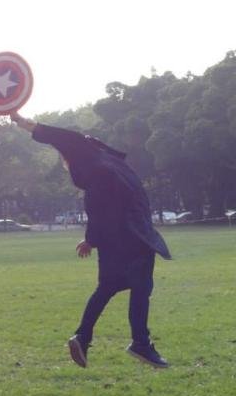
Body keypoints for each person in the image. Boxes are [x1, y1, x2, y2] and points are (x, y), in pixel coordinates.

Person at [10, 112, 171, 368]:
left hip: (119, 236)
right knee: (141, 286)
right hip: (131, 235)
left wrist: (20, 120)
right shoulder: (99, 165)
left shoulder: (90, 160)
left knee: (107, 287)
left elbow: (52, 135)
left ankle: (82, 336)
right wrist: (91, 239)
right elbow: (97, 206)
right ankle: (140, 343)